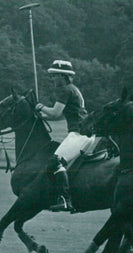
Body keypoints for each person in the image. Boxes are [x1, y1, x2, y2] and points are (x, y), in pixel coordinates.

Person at [35, 60, 94, 212]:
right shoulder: (73, 89)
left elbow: (55, 112)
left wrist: (40, 107)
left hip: (79, 133)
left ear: (63, 76)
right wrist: (42, 117)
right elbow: (59, 116)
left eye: (54, 76)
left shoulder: (65, 90)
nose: (52, 79)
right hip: (83, 132)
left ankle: (65, 200)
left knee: (55, 162)